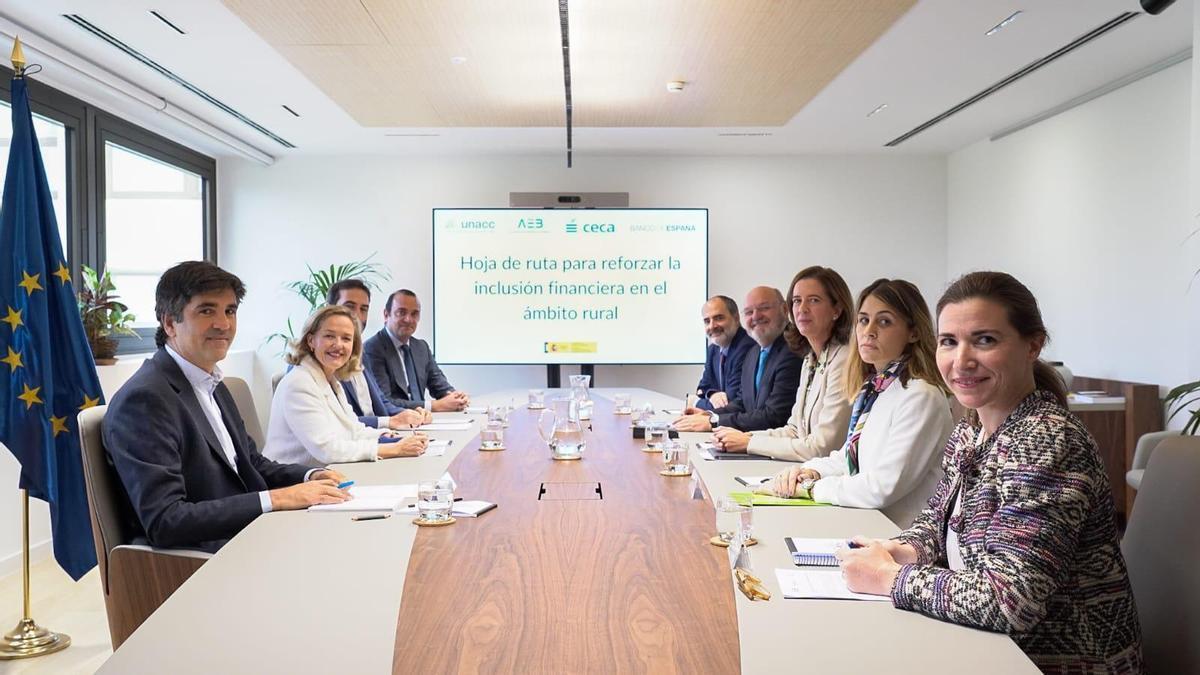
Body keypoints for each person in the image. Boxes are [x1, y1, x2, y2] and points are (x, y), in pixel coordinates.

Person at [835, 271, 1142, 673]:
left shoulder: (1048, 440)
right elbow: (935, 523)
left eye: (985, 340)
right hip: (986, 648)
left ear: (1033, 345)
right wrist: (900, 550)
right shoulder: (972, 428)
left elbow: (1011, 600)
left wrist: (891, 578)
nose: (961, 361)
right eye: (949, 342)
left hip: (1050, 662)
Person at [104, 261, 350, 553]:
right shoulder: (146, 400)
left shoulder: (213, 382)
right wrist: (278, 499)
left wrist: (309, 477)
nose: (224, 324)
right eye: (207, 310)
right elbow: (166, 520)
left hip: (250, 535)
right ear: (169, 323)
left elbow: (250, 463)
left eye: (230, 311)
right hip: (206, 558)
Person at [768, 279, 953, 527]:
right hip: (864, 524)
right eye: (864, 320)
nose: (869, 331)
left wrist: (813, 489)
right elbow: (849, 459)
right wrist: (810, 471)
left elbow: (882, 486)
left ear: (914, 332)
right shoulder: (877, 388)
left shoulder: (921, 395)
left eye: (884, 321)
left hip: (898, 537)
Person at [710, 266, 854, 460]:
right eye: (797, 301)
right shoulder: (811, 358)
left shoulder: (844, 359)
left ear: (836, 310)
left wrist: (749, 443)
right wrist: (742, 437)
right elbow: (794, 430)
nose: (802, 309)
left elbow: (822, 447)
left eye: (813, 300)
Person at [266, 305, 429, 467]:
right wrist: (394, 449)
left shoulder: (331, 380)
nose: (338, 345)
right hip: (291, 482)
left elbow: (353, 430)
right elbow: (328, 449)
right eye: (329, 336)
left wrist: (388, 435)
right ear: (311, 340)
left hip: (325, 474)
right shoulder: (299, 383)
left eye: (346, 338)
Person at [672, 286, 802, 432]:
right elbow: (742, 403)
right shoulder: (754, 352)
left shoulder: (793, 351)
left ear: (784, 309)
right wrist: (709, 414)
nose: (756, 316)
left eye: (764, 308)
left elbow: (774, 416)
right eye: (749, 312)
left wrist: (714, 421)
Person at [327, 279, 430, 429]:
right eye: (349, 307)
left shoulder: (359, 353)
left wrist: (410, 414)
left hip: (378, 435)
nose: (357, 316)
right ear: (328, 310)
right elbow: (336, 422)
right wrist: (388, 422)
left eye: (363, 309)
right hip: (359, 442)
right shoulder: (319, 358)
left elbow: (382, 402)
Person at [362, 289, 469, 412]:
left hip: (423, 422)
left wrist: (456, 397)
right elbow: (385, 401)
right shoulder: (372, 348)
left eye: (414, 314)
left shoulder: (421, 347)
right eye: (401, 312)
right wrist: (434, 406)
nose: (408, 319)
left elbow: (440, 386)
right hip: (396, 425)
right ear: (386, 315)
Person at [693, 295, 756, 411]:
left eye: (719, 318)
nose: (712, 326)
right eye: (707, 321)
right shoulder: (713, 350)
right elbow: (702, 389)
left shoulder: (747, 347)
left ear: (736, 318)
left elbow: (731, 401)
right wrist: (712, 394)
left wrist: (695, 403)